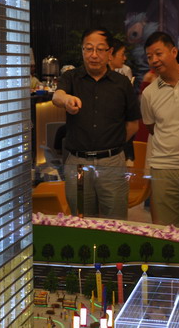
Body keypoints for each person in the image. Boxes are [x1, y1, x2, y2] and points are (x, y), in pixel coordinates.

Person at [52, 27, 140, 219]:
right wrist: (67, 100)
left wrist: (112, 145)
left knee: (116, 221)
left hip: (112, 162)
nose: (94, 55)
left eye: (100, 49)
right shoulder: (71, 78)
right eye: (89, 49)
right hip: (78, 163)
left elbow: (133, 124)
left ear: (109, 52)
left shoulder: (122, 83)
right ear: (82, 50)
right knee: (81, 220)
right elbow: (57, 96)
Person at [141, 31, 179, 227]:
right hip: (163, 166)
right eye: (149, 57)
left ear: (174, 52)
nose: (154, 60)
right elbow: (152, 128)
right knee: (167, 229)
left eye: (159, 54)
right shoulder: (149, 93)